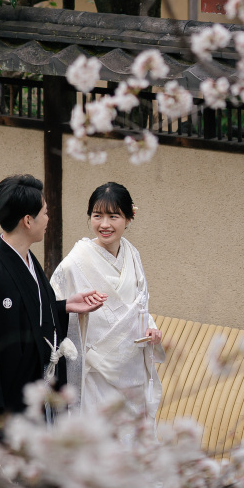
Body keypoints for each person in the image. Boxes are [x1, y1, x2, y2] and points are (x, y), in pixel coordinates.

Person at [0, 174, 106, 488]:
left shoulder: (29, 263)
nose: (48, 218)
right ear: (27, 220)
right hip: (5, 404)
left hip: (35, 397)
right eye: (45, 212)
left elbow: (33, 315)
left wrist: (64, 306)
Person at [50, 182, 164, 428]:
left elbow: (139, 303)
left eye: (114, 216)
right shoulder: (76, 262)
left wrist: (150, 328)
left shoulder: (132, 254)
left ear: (128, 218)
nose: (104, 224)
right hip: (96, 369)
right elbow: (54, 305)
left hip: (132, 365)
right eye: (97, 215)